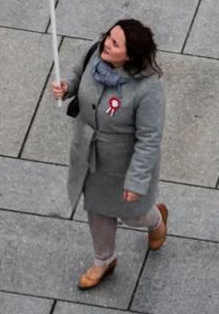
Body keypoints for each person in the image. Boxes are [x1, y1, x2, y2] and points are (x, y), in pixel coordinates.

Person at [51, 18, 168, 290]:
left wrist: (137, 181)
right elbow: (78, 75)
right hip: (90, 158)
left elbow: (149, 139)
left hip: (124, 165)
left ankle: (156, 220)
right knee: (97, 209)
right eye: (108, 37)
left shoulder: (148, 90)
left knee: (133, 215)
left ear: (130, 55)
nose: (106, 44)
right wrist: (67, 87)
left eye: (115, 43)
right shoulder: (96, 54)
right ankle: (103, 259)